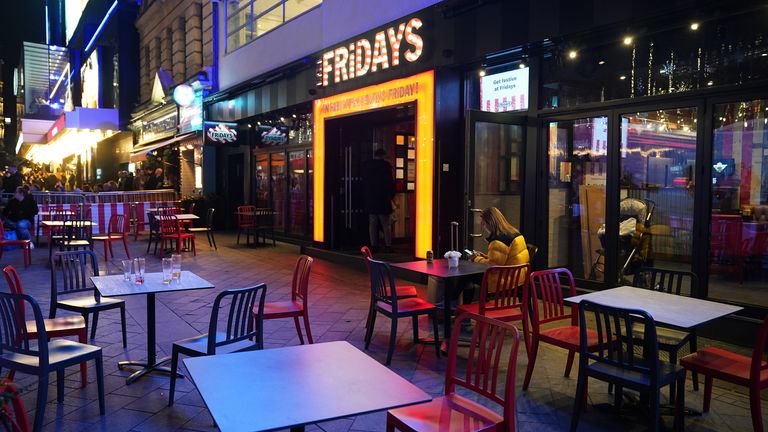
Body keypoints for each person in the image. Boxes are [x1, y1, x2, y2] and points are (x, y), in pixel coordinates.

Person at [469, 207, 530, 294]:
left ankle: (453, 303)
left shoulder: (498, 241)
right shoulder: (515, 233)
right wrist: (484, 256)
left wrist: (475, 258)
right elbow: (505, 259)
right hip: (518, 278)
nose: (484, 227)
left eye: (484, 224)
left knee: (467, 277)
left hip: (504, 281)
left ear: (489, 223)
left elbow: (493, 267)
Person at [362, 148, 395, 253]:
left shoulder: (367, 166)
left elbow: (365, 183)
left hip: (371, 199)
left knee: (372, 223)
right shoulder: (386, 167)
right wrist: (391, 196)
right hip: (383, 199)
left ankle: (374, 245)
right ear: (383, 156)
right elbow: (390, 184)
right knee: (386, 224)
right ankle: (388, 245)